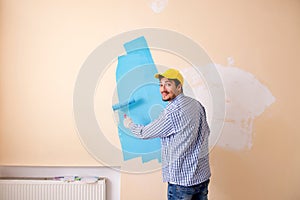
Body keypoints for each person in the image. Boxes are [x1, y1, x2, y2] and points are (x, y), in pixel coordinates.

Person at [123, 68, 211, 200]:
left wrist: (129, 123)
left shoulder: (172, 112)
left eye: (168, 84)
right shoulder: (196, 104)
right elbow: (206, 132)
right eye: (161, 85)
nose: (163, 89)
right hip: (202, 177)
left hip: (181, 182)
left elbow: (143, 133)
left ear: (179, 87)